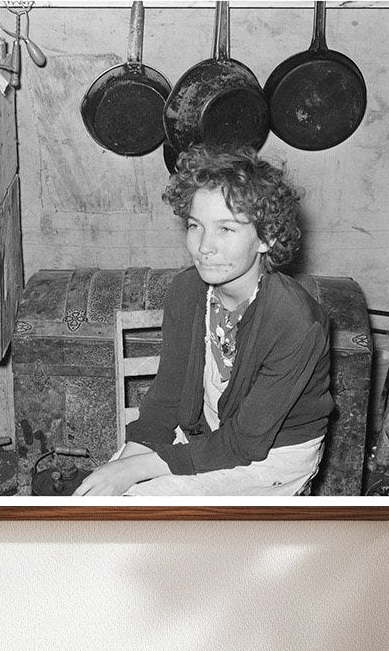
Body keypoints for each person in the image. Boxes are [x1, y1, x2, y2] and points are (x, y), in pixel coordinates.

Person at [73, 145, 333, 497]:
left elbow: (243, 443)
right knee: (103, 500)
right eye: (196, 226)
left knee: (138, 504)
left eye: (226, 229)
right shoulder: (187, 290)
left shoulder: (294, 321)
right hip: (208, 431)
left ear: (266, 237)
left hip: (272, 454)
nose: (204, 246)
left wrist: (136, 470)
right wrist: (124, 463)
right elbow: (167, 398)